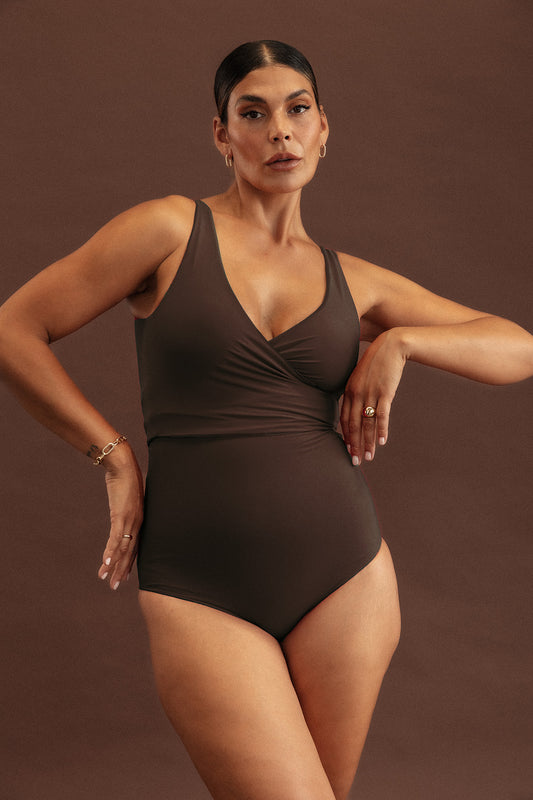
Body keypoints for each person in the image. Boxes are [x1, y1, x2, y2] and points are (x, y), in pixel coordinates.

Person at [0, 39, 531, 800]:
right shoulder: (167, 231)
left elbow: (519, 347)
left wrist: (404, 343)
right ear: (222, 135)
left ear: (323, 130)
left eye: (297, 110)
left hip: (345, 580)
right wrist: (112, 456)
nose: (279, 130)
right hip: (197, 583)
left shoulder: (356, 280)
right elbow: (14, 330)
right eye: (252, 113)